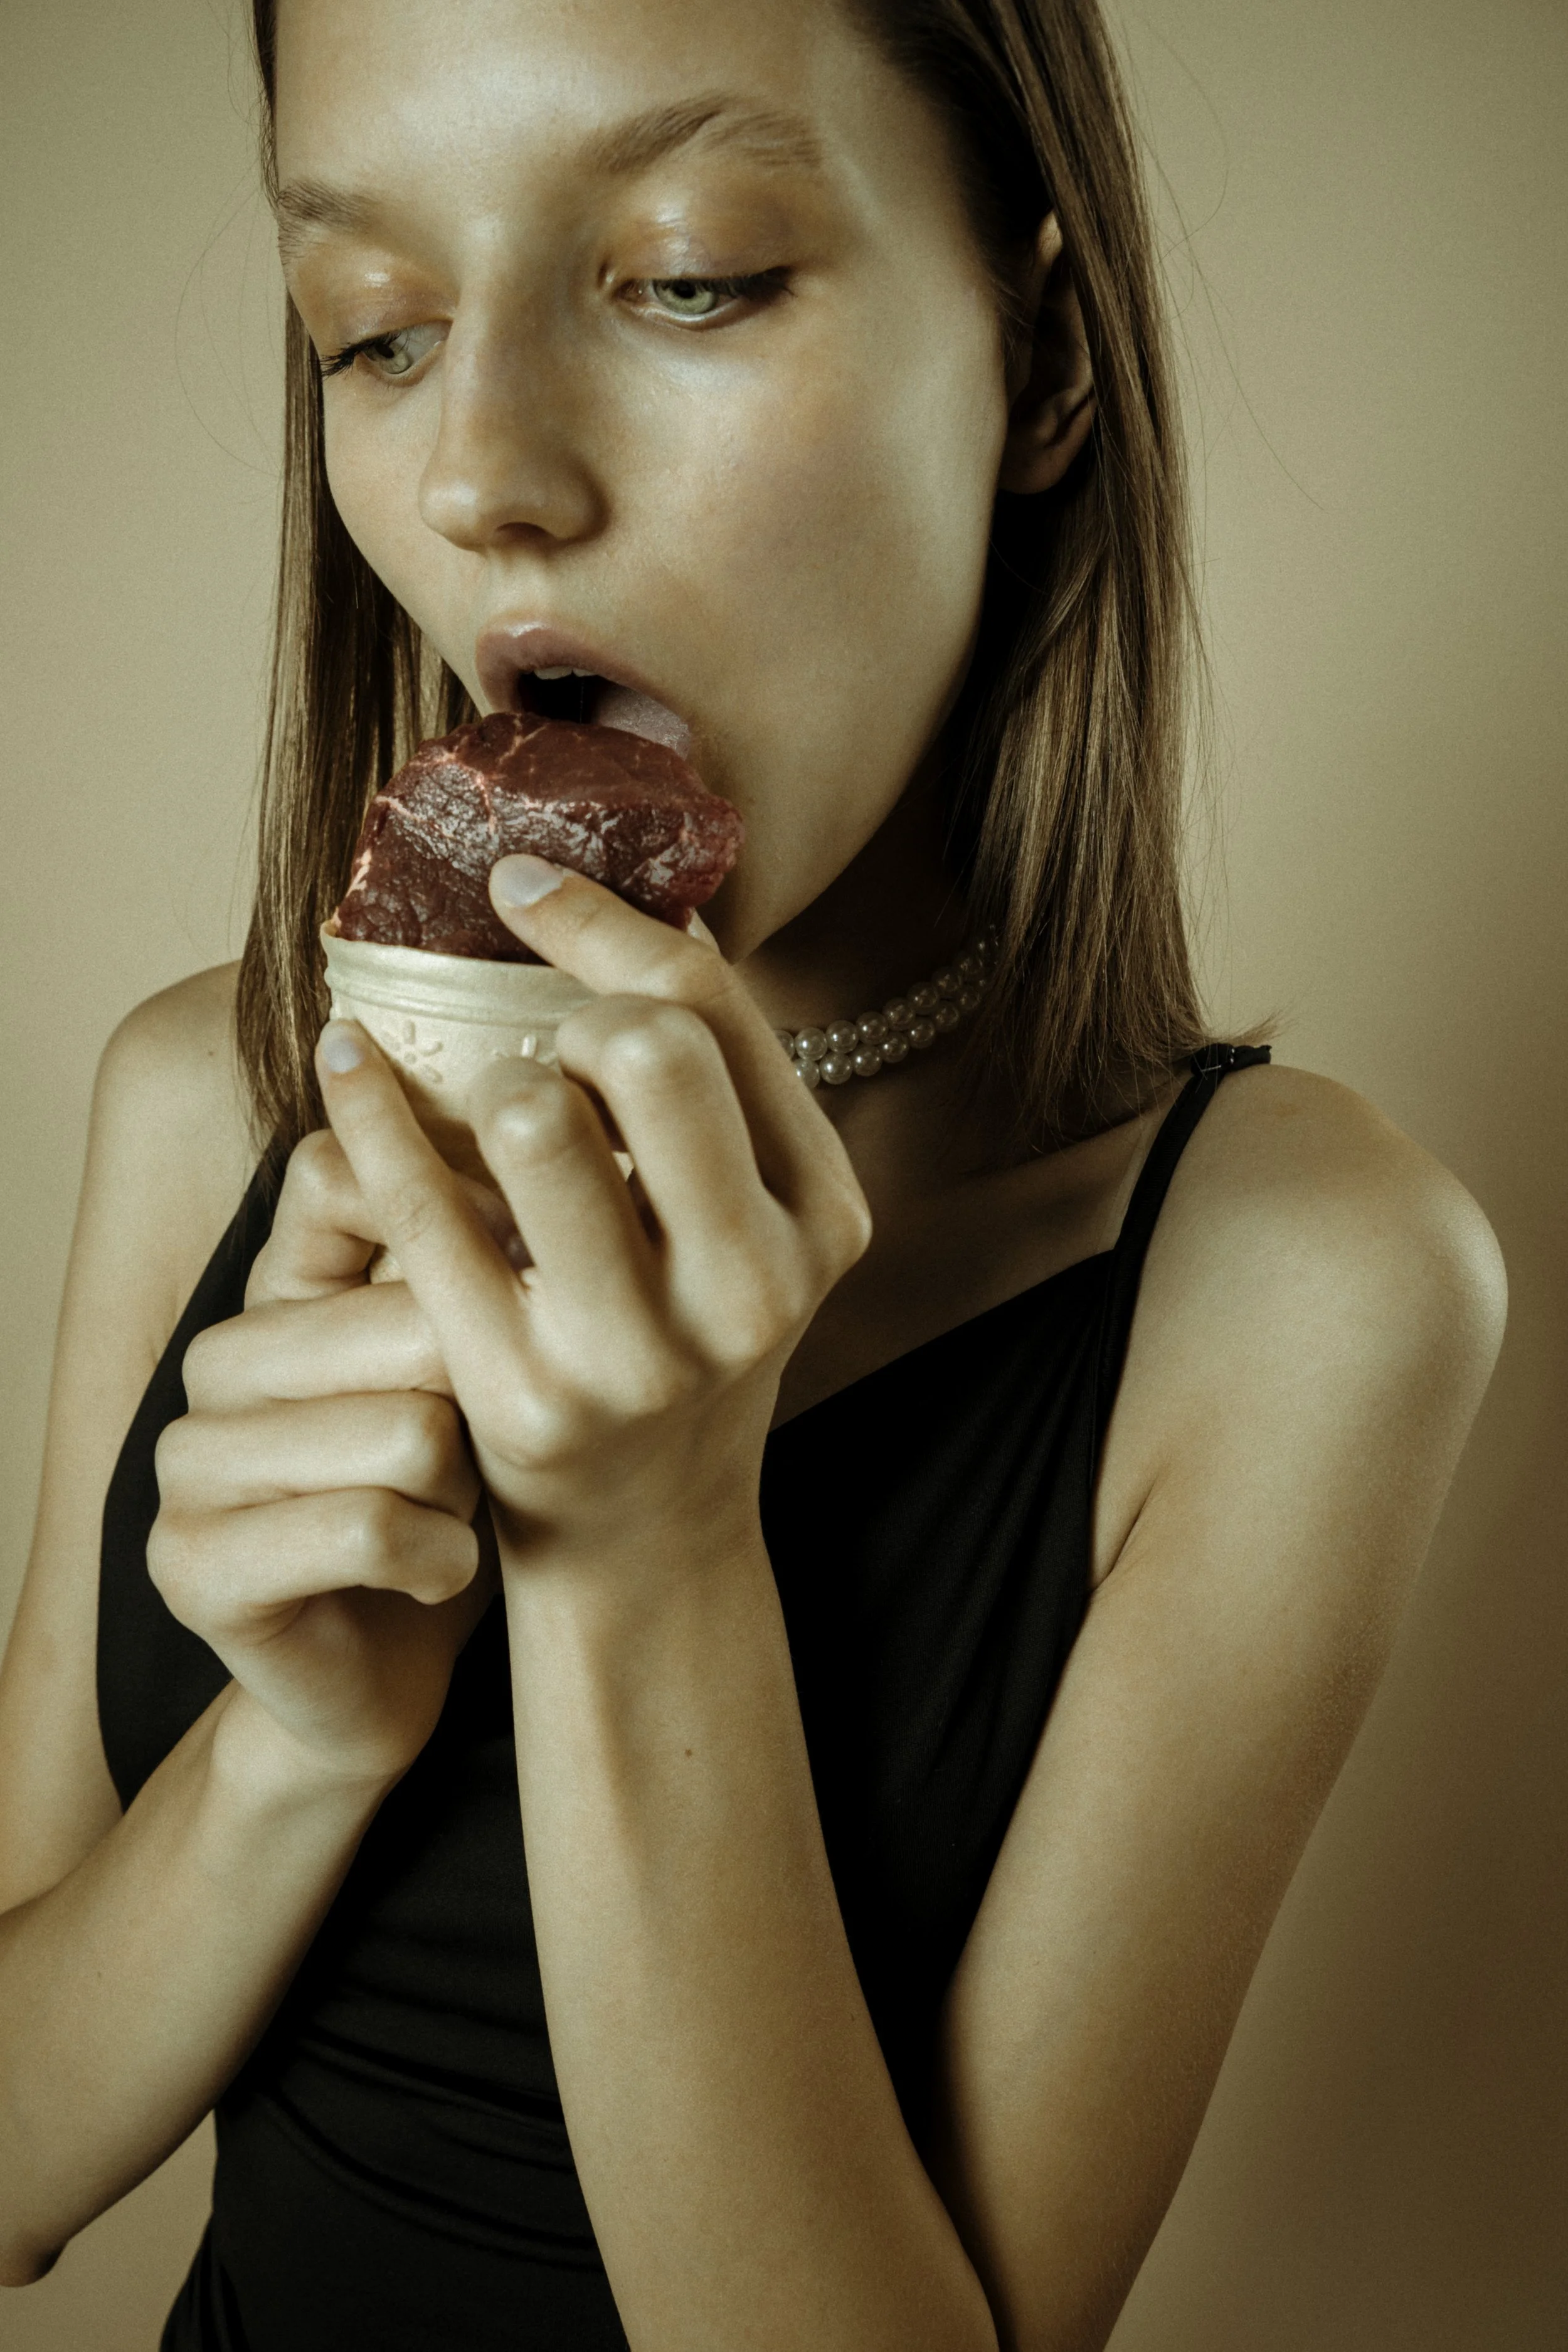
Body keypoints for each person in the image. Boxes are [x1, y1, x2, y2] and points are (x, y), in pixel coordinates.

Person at [0, 1, 1507, 2346]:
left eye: (689, 276)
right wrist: (292, 1745)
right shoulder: (213, 1092)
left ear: (1039, 361)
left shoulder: (1301, 1280)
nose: (485, 472)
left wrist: (646, 1555)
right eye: (374, 326)